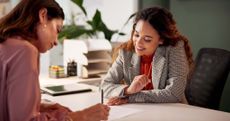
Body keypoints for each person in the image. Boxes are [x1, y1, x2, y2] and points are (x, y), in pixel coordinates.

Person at [0, 0, 110, 121]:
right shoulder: (25, 50)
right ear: (43, 16)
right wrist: (81, 116)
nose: (56, 41)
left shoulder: (7, 44)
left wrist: (38, 107)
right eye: (58, 29)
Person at [101, 6, 194, 105]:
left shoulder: (174, 48)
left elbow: (174, 94)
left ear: (161, 39)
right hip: (138, 111)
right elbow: (104, 86)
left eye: (147, 39)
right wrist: (128, 90)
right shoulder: (126, 52)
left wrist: (130, 97)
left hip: (171, 111)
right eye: (136, 35)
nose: (138, 43)